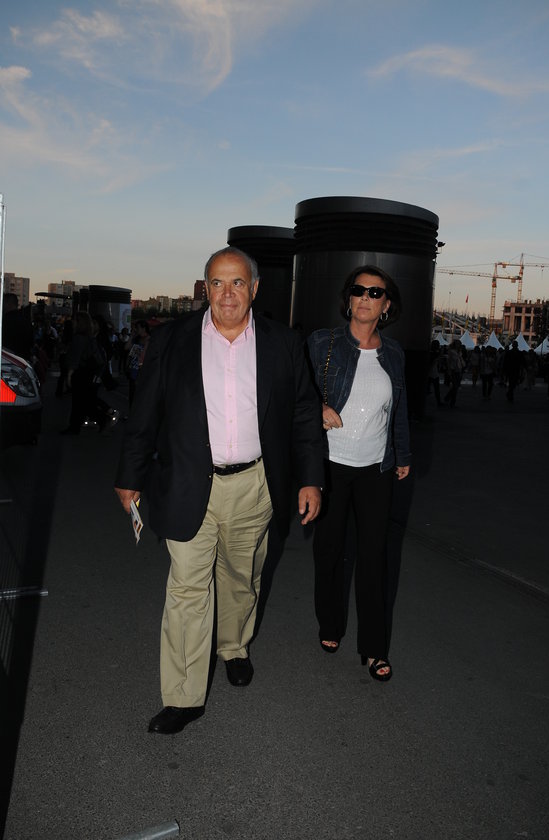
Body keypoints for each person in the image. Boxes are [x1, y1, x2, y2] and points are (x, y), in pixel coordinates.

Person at [114, 247, 323, 735]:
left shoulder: (282, 342)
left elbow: (302, 413)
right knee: (187, 589)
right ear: (204, 288)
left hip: (255, 485)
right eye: (216, 283)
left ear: (255, 288)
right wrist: (130, 476)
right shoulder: (171, 339)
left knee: (241, 578)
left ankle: (233, 646)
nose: (227, 293)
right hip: (188, 480)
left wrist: (311, 478)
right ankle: (182, 697)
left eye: (237, 282)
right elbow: (145, 412)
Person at [306, 265, 411, 683]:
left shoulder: (394, 353)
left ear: (386, 305)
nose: (366, 297)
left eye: (376, 292)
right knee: (329, 551)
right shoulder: (323, 343)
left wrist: (403, 452)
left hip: (376, 468)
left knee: (374, 558)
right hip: (331, 464)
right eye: (359, 290)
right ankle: (330, 623)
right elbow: (296, 389)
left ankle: (374, 647)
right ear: (349, 299)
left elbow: (398, 409)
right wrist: (317, 407)